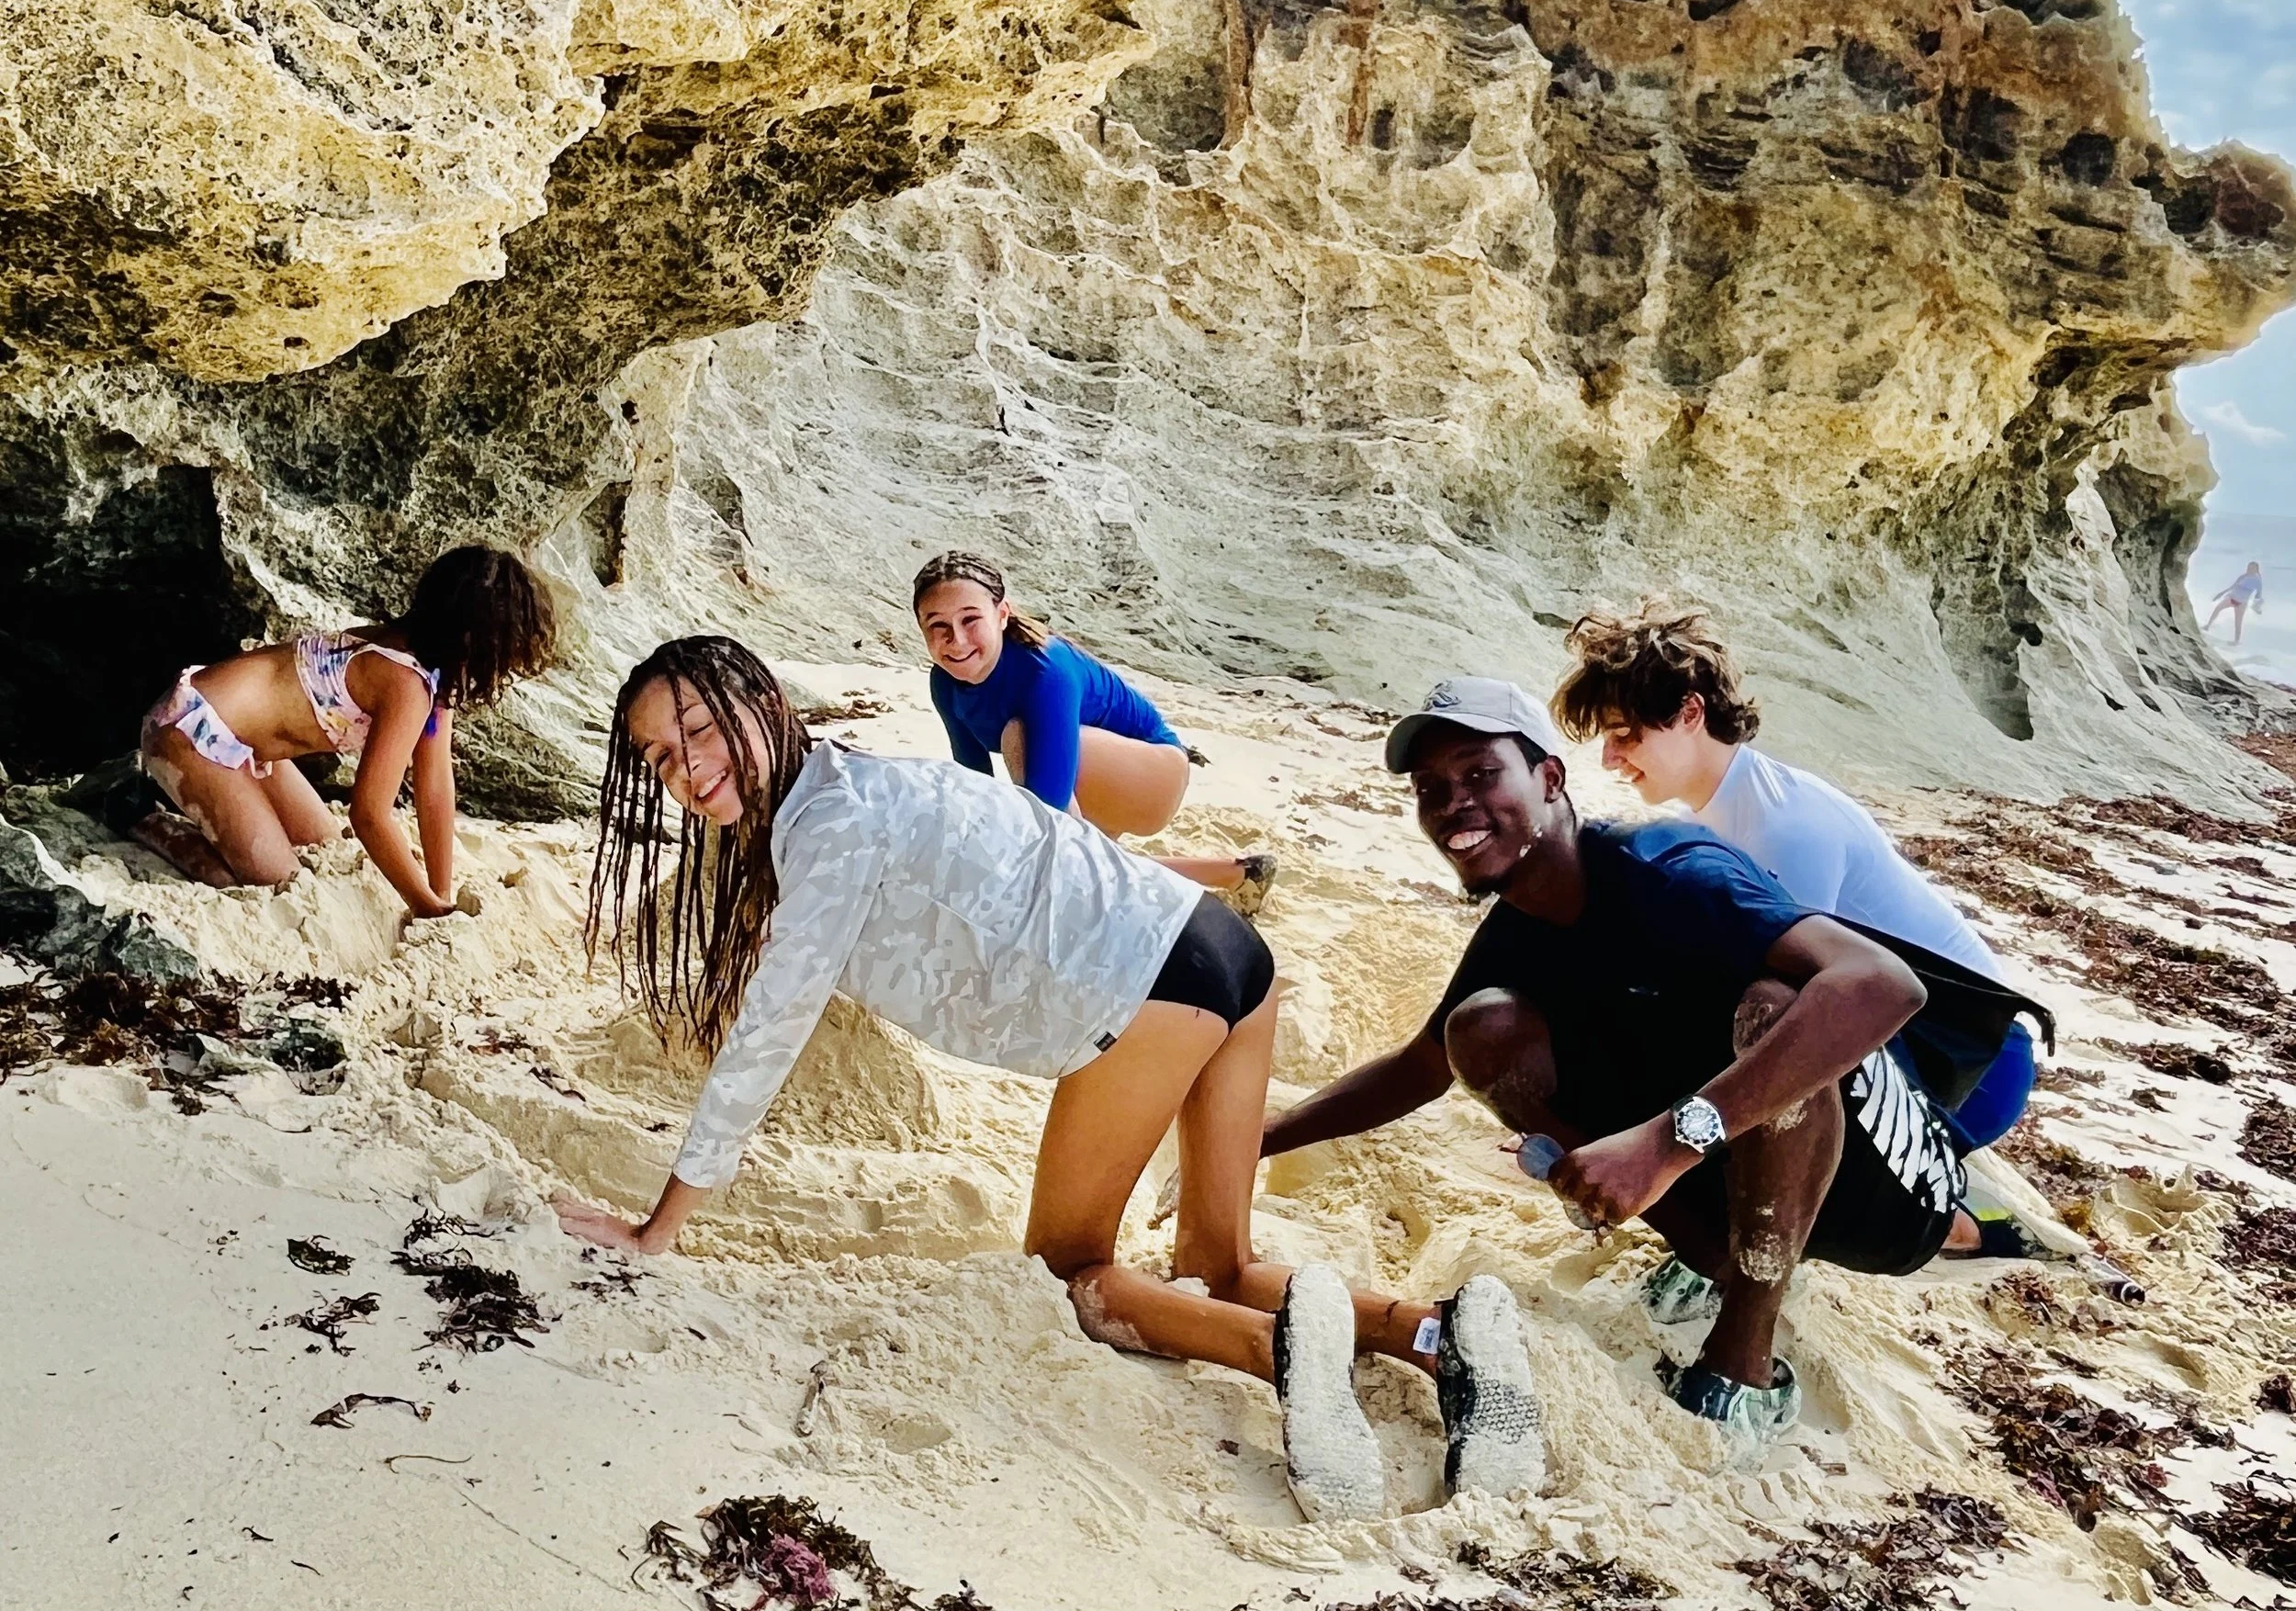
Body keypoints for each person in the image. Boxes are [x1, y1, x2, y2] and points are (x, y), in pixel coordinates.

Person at [550, 636, 1545, 1521]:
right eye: (660, 755)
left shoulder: (828, 830)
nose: (687, 765)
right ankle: (1437, 1338)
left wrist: (657, 1227)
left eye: (695, 728)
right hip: (1225, 953)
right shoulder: (859, 787)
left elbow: (764, 1036)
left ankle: (1282, 1357)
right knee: (1216, 1264)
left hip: (1150, 983)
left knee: (1072, 1272)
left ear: (761, 701)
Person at [1260, 679, 2010, 1445]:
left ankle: (1744, 1361)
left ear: (1550, 780)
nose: (1454, 802)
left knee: (1773, 1007)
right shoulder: (1521, 923)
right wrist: (1261, 1137)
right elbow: (1419, 1069)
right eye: (1432, 788)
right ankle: (1715, 1255)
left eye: (1481, 774)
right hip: (1749, 1168)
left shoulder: (1665, 866)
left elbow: (1883, 984)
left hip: (1887, 1195)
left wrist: (1664, 1144)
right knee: (1483, 1027)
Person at [1548, 603, 2040, 1174]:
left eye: (1624, 736)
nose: (1609, 759)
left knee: (1756, 1048)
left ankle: (1968, 1227)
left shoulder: (1784, 828)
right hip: (1919, 1046)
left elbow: (1808, 1023)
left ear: (1689, 713)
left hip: (1972, 1065)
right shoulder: (1720, 813)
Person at [134, 547, 556, 921]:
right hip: (190, 730)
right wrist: (424, 907)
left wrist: (438, 892)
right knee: (273, 882)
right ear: (474, 641)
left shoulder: (432, 676)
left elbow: (435, 789)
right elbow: (369, 813)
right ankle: (138, 815)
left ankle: (194, 811)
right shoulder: (403, 682)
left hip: (247, 747)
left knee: (323, 844)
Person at [911, 552, 1271, 900]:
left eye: (970, 619)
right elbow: (976, 785)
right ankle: (1240, 874)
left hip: (1155, 772)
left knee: (1030, 767)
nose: (956, 640)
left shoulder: (1044, 669)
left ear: (1002, 615)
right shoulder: (944, 683)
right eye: (938, 625)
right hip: (1089, 777)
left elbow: (1048, 809)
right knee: (1095, 863)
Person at [2205, 560, 2265, 647]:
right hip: (2232, 598)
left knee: (2238, 622)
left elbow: (2258, 595)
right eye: (2248, 567)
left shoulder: (2258, 581)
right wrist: (2221, 593)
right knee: (2218, 608)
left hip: (2242, 603)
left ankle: (2236, 641)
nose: (2249, 569)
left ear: (2256, 570)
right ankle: (2207, 626)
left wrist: (2256, 606)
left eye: (2252, 568)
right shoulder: (2243, 576)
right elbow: (2233, 586)